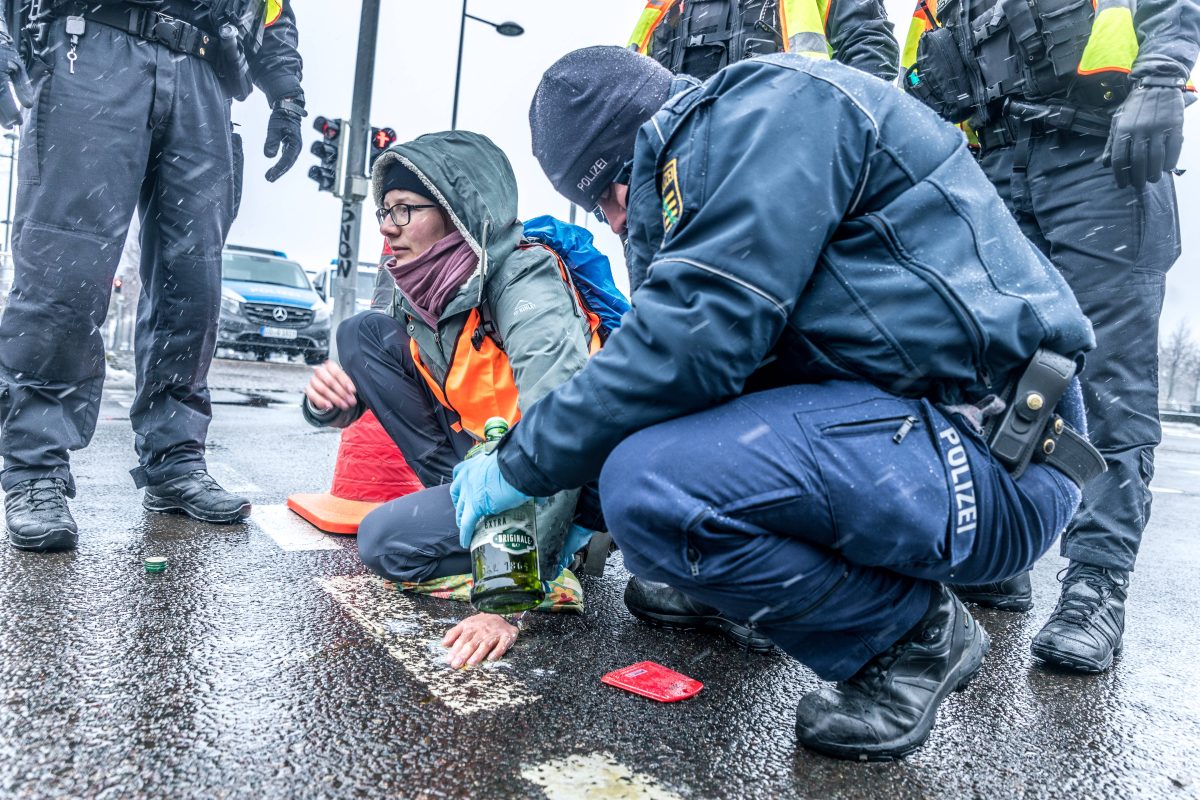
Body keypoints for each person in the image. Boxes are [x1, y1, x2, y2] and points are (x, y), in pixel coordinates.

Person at [450, 46, 1106, 761]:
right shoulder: (734, 149)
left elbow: (688, 348)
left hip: (1000, 455)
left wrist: (518, 464)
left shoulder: (768, 112)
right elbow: (690, 376)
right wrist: (564, 511)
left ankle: (910, 638)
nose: (612, 224)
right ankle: (741, 589)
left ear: (626, 162)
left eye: (606, 200)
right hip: (933, 442)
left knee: (652, 485)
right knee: (626, 477)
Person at [900, 0, 1198, 673]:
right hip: (992, 164)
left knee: (1108, 381)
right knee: (990, 372)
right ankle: (1001, 558)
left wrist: (1160, 76)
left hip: (1100, 152)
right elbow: (921, 65)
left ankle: (1096, 588)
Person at [0, 0, 305, 551]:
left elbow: (270, 6)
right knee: (64, 275)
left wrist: (286, 92)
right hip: (92, 45)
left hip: (204, 71)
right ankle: (34, 468)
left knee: (193, 287)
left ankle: (175, 458)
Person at [302, 130, 601, 669]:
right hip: (484, 459)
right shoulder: (421, 289)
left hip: (555, 477)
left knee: (386, 544)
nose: (387, 227)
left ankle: (555, 564)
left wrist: (507, 598)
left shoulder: (524, 281)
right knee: (361, 334)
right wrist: (330, 404)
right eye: (384, 211)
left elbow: (566, 429)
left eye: (404, 209)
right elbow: (381, 395)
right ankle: (471, 519)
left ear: (457, 213)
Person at [628, 0, 898, 81]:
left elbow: (870, 48)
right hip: (680, 169)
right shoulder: (662, 5)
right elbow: (633, 87)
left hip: (791, 153)